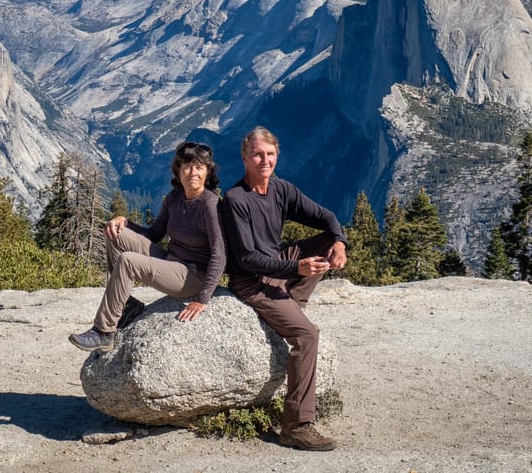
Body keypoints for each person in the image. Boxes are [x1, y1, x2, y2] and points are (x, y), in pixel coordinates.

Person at [222, 126, 347, 452]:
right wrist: (296, 268)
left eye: (270, 154)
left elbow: (326, 216)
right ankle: (296, 425)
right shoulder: (235, 200)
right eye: (258, 154)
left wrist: (339, 241)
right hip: (251, 281)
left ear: (277, 156)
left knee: (323, 242)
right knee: (307, 336)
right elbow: (247, 258)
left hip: (277, 266)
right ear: (245, 157)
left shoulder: (281, 189)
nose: (265, 160)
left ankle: (290, 306)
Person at [69, 141, 226, 353]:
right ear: (178, 171)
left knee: (128, 261)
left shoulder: (209, 204)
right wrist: (124, 222)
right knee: (116, 234)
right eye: (187, 166)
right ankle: (126, 305)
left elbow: (219, 253)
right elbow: (154, 234)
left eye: (199, 167)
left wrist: (203, 298)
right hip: (172, 261)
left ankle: (104, 332)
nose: (193, 173)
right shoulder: (174, 199)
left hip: (193, 275)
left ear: (208, 173)